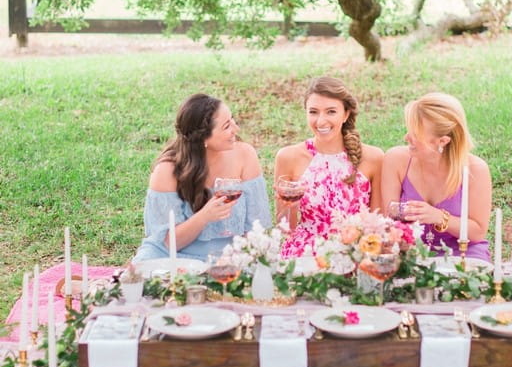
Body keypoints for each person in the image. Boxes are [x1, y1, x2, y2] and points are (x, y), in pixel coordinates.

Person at [133, 93, 271, 263]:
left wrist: (239, 258)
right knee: (140, 271)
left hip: (231, 255)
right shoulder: (167, 170)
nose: (236, 129)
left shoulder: (245, 154)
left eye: (232, 119)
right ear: (203, 138)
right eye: (227, 126)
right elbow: (167, 243)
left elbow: (257, 227)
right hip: (176, 255)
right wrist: (205, 216)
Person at [274, 76, 383, 258]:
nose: (321, 121)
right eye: (313, 112)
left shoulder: (374, 158)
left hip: (356, 254)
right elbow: (286, 230)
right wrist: (290, 207)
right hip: (306, 256)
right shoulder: (288, 157)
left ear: (346, 114)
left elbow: (378, 223)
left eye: (331, 112)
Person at [381, 92, 491, 260]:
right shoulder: (396, 160)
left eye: (415, 135)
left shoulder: (475, 170)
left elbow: (477, 232)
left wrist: (439, 217)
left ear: (443, 141)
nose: (406, 137)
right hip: (410, 251)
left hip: (462, 254)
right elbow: (387, 217)